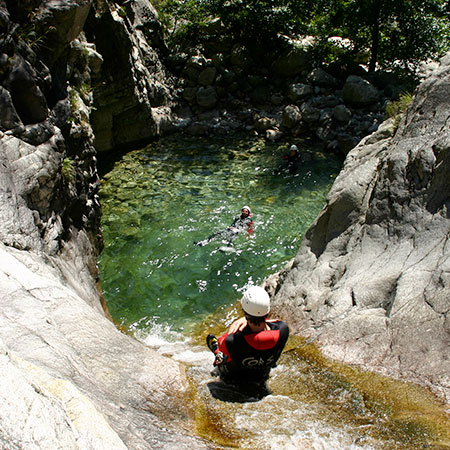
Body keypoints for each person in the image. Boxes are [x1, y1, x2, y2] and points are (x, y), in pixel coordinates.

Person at [206, 286, 289, 398]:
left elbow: (223, 341)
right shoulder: (283, 330)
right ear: (267, 313)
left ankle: (216, 352)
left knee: (221, 351)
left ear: (244, 312)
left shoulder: (232, 340)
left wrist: (244, 319)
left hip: (232, 379)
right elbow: (273, 322)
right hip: (261, 377)